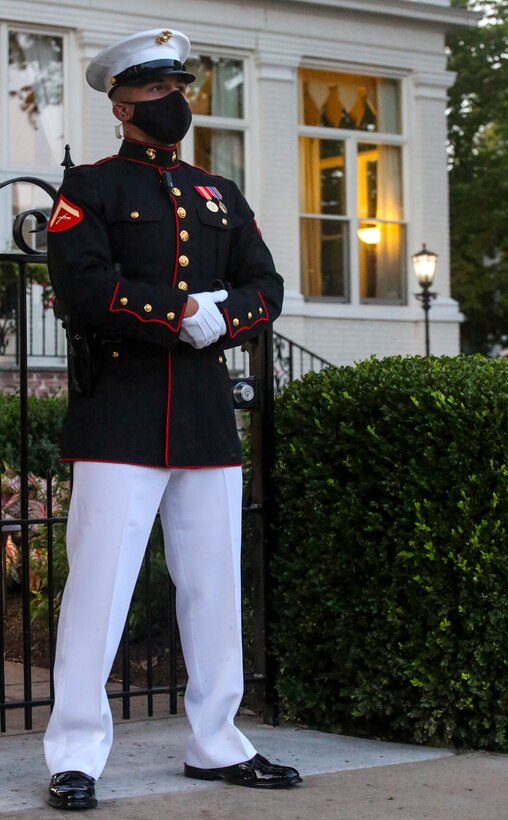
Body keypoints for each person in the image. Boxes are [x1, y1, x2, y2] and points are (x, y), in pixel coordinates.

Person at [43, 27, 302, 811]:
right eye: (159, 93)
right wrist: (178, 311)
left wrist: (222, 321)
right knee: (97, 591)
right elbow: (86, 286)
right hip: (119, 416)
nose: (175, 104)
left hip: (202, 416)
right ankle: (75, 753)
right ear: (123, 106)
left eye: (180, 90)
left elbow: (266, 284)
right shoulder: (89, 190)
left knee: (214, 591)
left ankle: (217, 741)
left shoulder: (220, 192)